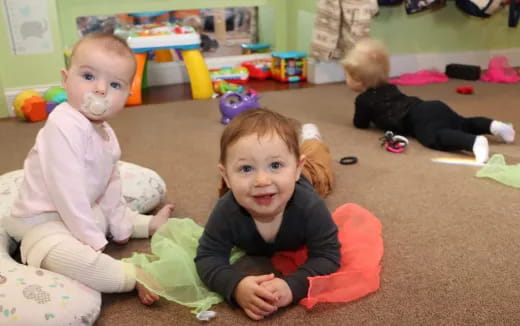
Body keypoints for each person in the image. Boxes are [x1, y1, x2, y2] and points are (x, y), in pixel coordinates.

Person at [2, 32, 174, 305]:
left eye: (115, 84)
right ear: (65, 79)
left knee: (107, 210)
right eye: (89, 76)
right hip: (41, 220)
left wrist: (119, 227)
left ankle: (146, 225)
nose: (101, 90)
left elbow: (110, 184)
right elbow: (66, 190)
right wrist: (93, 240)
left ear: (128, 94)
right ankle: (130, 275)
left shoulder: (105, 132)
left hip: (81, 209)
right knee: (61, 254)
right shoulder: (62, 125)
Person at [195, 108, 341, 320]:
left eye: (275, 165)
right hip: (254, 181)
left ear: (296, 168)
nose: (262, 180)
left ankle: (311, 138)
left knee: (320, 166)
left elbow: (328, 255)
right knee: (248, 179)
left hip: (309, 178)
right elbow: (208, 257)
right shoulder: (227, 210)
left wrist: (293, 286)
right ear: (225, 175)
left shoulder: (309, 206)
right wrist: (236, 286)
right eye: (246, 169)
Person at [341, 38, 516, 163]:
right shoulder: (390, 87)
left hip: (419, 120)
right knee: (463, 122)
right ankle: (497, 126)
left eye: (347, 75)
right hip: (430, 106)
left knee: (436, 136)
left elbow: (360, 124)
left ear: (358, 81)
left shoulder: (363, 100)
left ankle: (473, 142)